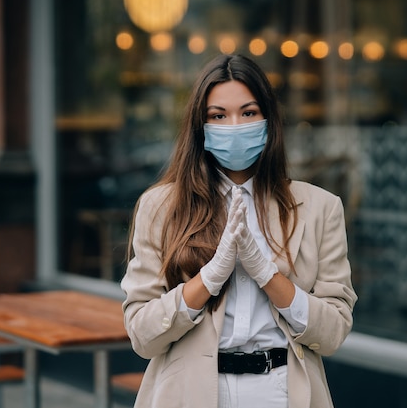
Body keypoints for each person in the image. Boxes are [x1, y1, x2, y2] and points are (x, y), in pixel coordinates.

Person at [121, 54, 357, 408]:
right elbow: (142, 334)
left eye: (248, 113)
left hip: (283, 390)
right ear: (201, 126)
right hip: (191, 392)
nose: (234, 126)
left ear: (268, 120)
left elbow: (335, 330)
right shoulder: (161, 207)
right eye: (218, 115)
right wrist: (209, 279)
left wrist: (267, 275)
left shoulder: (321, 208)